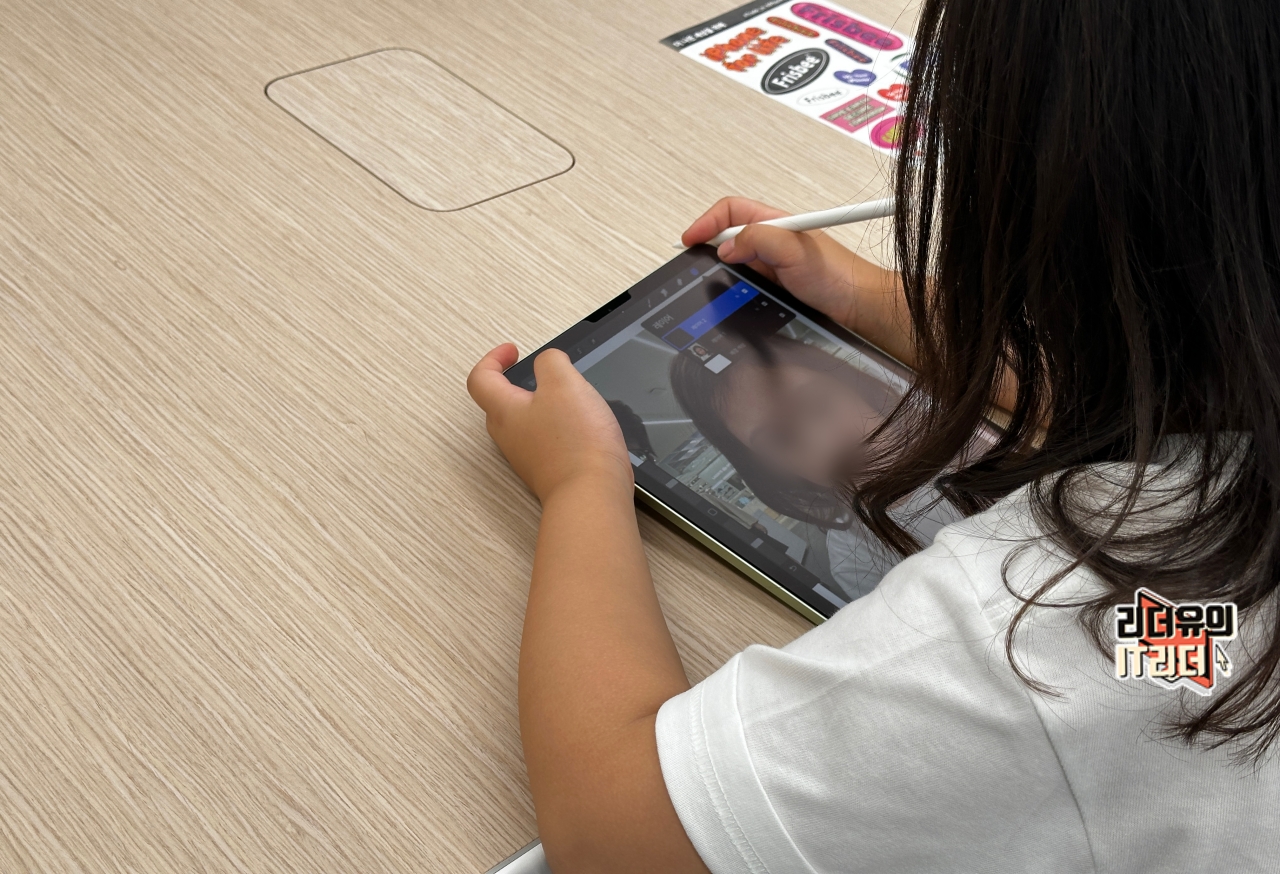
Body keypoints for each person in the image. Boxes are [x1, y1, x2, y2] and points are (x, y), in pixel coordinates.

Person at [466, 0, 1280, 870]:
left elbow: (613, 837)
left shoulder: (1041, 620)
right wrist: (865, 297)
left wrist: (585, 482)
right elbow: (1159, 385)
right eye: (783, 431)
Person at [668, 331, 956, 599]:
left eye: (819, 404)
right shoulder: (857, 558)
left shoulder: (965, 427)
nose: (825, 444)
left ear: (850, 383)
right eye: (781, 438)